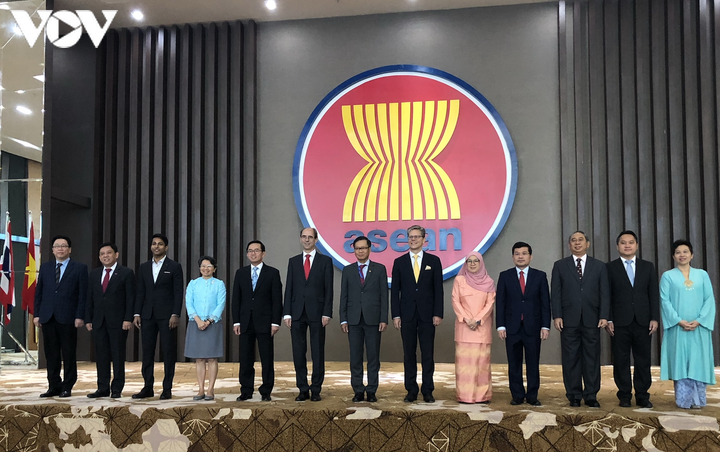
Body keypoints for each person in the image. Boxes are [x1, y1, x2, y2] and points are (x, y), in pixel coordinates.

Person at [551, 230, 609, 408]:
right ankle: (574, 395)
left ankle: (591, 395)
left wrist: (604, 315)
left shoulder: (599, 266)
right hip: (568, 319)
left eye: (581, 240)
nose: (577, 243)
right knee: (571, 359)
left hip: (592, 318)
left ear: (587, 244)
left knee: (592, 358)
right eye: (574, 240)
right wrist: (557, 315)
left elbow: (604, 293)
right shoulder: (560, 265)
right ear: (569, 245)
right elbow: (556, 293)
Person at [605, 230, 659, 408]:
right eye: (623, 242)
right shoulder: (610, 267)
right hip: (619, 322)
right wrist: (609, 319)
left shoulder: (647, 266)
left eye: (630, 242)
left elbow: (653, 294)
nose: (627, 245)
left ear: (636, 245)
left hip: (643, 321)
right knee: (621, 360)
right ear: (617, 246)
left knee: (643, 359)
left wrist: (654, 317)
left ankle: (643, 395)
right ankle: (624, 395)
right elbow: (607, 296)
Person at [660, 239, 716, 409]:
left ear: (692, 255)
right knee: (681, 362)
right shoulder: (668, 276)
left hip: (699, 327)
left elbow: (709, 299)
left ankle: (698, 400)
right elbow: (665, 301)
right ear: (673, 256)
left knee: (698, 361)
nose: (682, 255)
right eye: (678, 252)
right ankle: (684, 400)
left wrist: (699, 320)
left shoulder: (702, 275)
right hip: (678, 327)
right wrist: (679, 321)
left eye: (685, 252)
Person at [391, 225, 443, 403]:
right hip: (407, 315)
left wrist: (438, 313)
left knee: (427, 354)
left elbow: (438, 290)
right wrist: (396, 315)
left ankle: (428, 390)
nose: (413, 239)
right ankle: (411, 390)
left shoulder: (434, 261)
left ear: (423, 239)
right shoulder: (399, 262)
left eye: (416, 237)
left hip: (428, 315)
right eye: (410, 237)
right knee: (409, 354)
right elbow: (395, 291)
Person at [495, 242, 550, 406]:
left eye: (524, 253)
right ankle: (517, 395)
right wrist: (500, 325)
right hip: (512, 327)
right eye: (517, 254)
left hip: (533, 326)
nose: (520, 256)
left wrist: (545, 326)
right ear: (513, 257)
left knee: (533, 363)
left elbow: (545, 303)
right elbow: (500, 303)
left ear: (530, 256)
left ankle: (532, 395)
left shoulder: (540, 276)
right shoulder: (505, 276)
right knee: (514, 363)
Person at [34, 236, 88, 398]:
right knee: (51, 354)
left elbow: (83, 295)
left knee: (69, 354)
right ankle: (53, 386)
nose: (60, 248)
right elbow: (39, 293)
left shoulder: (79, 268)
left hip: (68, 317)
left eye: (64, 246)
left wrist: (80, 316)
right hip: (48, 317)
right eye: (57, 246)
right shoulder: (45, 267)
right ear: (52, 250)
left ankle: (67, 386)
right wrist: (37, 314)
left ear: (69, 249)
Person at [283, 227, 334, 402]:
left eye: (310, 237)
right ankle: (302, 388)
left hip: (317, 313)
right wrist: (287, 313)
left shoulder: (325, 261)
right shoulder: (293, 261)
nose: (307, 240)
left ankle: (316, 389)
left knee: (317, 352)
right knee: (298, 352)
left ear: (316, 240)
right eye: (304, 237)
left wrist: (327, 312)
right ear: (300, 239)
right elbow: (289, 287)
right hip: (297, 313)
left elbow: (329, 289)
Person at [132, 233, 184, 400]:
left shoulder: (174, 266)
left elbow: (178, 292)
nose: (156, 246)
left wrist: (175, 314)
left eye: (160, 244)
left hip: (167, 316)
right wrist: (137, 313)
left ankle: (167, 388)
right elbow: (140, 291)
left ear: (166, 247)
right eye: (154, 243)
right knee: (147, 352)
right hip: (147, 315)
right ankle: (147, 387)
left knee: (168, 352)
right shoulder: (144, 267)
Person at [339, 236, 388, 403]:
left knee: (373, 357)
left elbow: (384, 295)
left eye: (363, 248)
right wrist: (343, 319)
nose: (360, 251)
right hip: (353, 320)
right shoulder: (348, 270)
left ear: (369, 249)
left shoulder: (379, 269)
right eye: (357, 248)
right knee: (355, 357)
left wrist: (383, 318)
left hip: (373, 319)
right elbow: (344, 296)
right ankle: (358, 390)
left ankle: (372, 390)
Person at [233, 240, 282, 402]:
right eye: (250, 251)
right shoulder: (241, 273)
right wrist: (236, 322)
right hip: (245, 322)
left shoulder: (272, 273)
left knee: (266, 359)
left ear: (263, 253)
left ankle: (266, 391)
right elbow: (236, 299)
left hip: (265, 322)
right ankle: (246, 390)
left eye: (256, 250)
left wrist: (275, 322)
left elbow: (277, 300)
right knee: (245, 358)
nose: (253, 253)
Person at [85, 242, 136, 398]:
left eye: (108, 253)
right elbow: (89, 298)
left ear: (116, 255)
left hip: (118, 322)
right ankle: (102, 388)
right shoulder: (94, 274)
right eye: (102, 254)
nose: (105, 256)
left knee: (118, 355)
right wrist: (88, 319)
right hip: (98, 321)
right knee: (101, 356)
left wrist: (128, 319)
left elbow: (130, 298)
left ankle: (116, 388)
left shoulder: (126, 273)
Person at [452, 252, 496, 404]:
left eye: (475, 261)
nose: (472, 264)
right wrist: (466, 319)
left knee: (482, 364)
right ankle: (464, 395)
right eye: (469, 261)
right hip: (464, 328)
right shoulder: (459, 280)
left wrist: (477, 320)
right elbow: (455, 301)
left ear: (481, 262)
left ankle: (482, 396)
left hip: (482, 328)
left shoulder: (489, 282)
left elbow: (490, 304)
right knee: (465, 365)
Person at [185, 256, 226, 401]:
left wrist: (209, 321)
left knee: (212, 358)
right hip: (195, 323)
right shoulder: (193, 283)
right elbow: (189, 303)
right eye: (203, 266)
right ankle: (201, 389)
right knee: (200, 358)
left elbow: (221, 304)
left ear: (214, 268)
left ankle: (210, 389)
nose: (205, 269)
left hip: (213, 324)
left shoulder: (219, 284)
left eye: (209, 266)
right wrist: (198, 320)